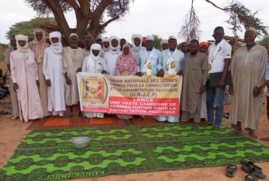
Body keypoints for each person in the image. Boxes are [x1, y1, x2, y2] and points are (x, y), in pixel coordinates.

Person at [229, 28, 268, 139]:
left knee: (253, 107)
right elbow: (233, 67)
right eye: (246, 36)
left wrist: (260, 85)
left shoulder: (261, 50)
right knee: (238, 105)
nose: (248, 38)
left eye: (250, 36)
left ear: (255, 37)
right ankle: (237, 127)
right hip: (239, 84)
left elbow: (264, 68)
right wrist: (231, 84)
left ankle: (251, 130)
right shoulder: (239, 51)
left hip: (254, 85)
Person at [10, 34, 43, 122]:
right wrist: (14, 81)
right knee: (22, 97)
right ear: (17, 42)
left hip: (31, 78)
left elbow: (35, 67)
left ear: (26, 42)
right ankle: (25, 116)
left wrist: (36, 78)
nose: (21, 43)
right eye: (20, 41)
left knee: (34, 96)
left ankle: (35, 115)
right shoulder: (13, 54)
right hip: (20, 79)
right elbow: (12, 69)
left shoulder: (31, 52)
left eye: (23, 41)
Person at [206, 26, 232, 130]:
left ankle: (217, 124)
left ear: (223, 34)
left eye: (220, 34)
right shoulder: (211, 46)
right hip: (210, 76)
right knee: (209, 100)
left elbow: (227, 63)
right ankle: (210, 121)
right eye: (216, 34)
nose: (217, 35)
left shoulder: (227, 46)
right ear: (213, 34)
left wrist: (222, 79)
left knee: (219, 102)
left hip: (219, 76)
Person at [156, 36, 185, 123]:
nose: (172, 43)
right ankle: (162, 117)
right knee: (164, 97)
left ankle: (173, 118)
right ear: (168, 44)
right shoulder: (162, 53)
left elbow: (184, 65)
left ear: (176, 43)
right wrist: (160, 69)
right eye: (170, 42)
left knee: (174, 98)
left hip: (176, 81)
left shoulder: (181, 54)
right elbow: (159, 63)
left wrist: (181, 70)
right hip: (164, 80)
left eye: (174, 42)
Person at [180, 39, 207, 128]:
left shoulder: (202, 57)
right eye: (191, 47)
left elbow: (205, 71)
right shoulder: (187, 56)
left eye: (194, 47)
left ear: (198, 47)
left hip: (197, 83)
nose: (192, 48)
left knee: (196, 102)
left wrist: (203, 84)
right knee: (185, 99)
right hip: (186, 83)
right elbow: (185, 68)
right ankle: (184, 119)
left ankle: (196, 121)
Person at [43, 31, 66, 117]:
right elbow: (44, 65)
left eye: (56, 39)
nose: (54, 40)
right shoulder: (47, 50)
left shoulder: (63, 49)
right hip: (51, 75)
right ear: (50, 40)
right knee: (52, 92)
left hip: (61, 75)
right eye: (53, 39)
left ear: (59, 39)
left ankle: (61, 110)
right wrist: (46, 77)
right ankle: (54, 110)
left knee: (61, 92)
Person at [81, 43, 107, 118]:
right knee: (90, 99)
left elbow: (106, 69)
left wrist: (105, 71)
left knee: (98, 99)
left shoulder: (102, 60)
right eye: (94, 51)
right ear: (91, 50)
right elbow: (83, 70)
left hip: (99, 83)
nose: (96, 52)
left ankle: (99, 114)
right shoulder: (86, 59)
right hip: (89, 83)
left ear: (99, 51)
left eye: (97, 51)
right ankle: (89, 114)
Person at [29, 28, 50, 118]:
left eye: (40, 35)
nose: (38, 37)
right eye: (37, 35)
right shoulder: (30, 45)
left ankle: (46, 111)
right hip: (33, 69)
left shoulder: (47, 45)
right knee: (35, 90)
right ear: (34, 35)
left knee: (44, 90)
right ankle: (36, 112)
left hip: (45, 69)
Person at [62, 33, 84, 117]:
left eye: (75, 39)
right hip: (70, 74)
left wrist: (81, 68)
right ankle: (71, 111)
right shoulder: (65, 50)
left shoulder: (81, 50)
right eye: (72, 39)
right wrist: (66, 76)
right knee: (70, 92)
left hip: (79, 75)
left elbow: (83, 62)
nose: (74, 40)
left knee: (79, 92)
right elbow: (63, 64)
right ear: (70, 40)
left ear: (77, 40)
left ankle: (80, 111)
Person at [115, 43, 137, 120]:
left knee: (128, 96)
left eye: (127, 48)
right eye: (124, 48)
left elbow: (134, 69)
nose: (126, 50)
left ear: (129, 49)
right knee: (121, 96)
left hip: (129, 81)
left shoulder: (132, 58)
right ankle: (120, 113)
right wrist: (119, 77)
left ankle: (129, 113)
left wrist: (130, 77)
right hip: (121, 80)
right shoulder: (119, 58)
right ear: (122, 49)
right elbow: (117, 68)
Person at [4, 35, 19, 119]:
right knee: (14, 95)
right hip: (13, 76)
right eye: (12, 41)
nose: (13, 42)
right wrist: (14, 76)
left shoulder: (23, 50)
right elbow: (8, 65)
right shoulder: (8, 51)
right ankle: (15, 113)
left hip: (23, 75)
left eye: (15, 41)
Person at [199, 42, 210, 122]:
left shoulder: (209, 57)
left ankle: (204, 115)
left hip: (206, 80)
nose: (203, 49)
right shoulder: (197, 56)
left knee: (205, 98)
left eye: (205, 48)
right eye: (202, 48)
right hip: (197, 80)